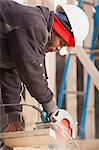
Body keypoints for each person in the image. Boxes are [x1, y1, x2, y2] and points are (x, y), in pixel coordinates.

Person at [0, 0, 89, 149]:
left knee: (3, 122)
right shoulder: (34, 25)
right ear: (58, 30)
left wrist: (14, 116)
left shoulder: (28, 33)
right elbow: (32, 74)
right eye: (62, 44)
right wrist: (52, 110)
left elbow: (10, 71)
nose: (58, 49)